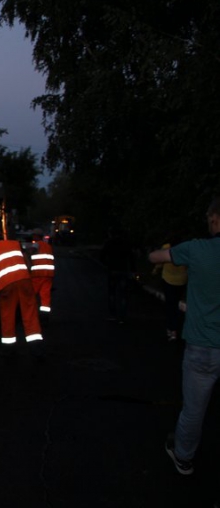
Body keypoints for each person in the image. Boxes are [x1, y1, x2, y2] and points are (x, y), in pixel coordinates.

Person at [149, 195, 220, 476]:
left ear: (215, 219)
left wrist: (162, 253)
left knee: (193, 410)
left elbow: (156, 257)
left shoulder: (196, 249)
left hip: (202, 348)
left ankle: (183, 457)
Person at [151, 233, 187, 342]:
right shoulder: (185, 248)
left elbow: (160, 262)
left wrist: (155, 270)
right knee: (175, 303)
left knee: (170, 305)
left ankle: (172, 330)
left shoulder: (167, 248)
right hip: (181, 281)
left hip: (168, 280)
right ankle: (175, 327)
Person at [99, 225, 136, 323]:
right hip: (124, 270)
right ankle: (122, 316)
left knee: (112, 293)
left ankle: (113, 315)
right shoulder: (126, 243)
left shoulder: (109, 243)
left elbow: (101, 256)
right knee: (123, 294)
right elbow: (131, 257)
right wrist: (133, 270)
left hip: (112, 270)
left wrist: (107, 264)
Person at [29, 227, 55, 322]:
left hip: (38, 274)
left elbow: (32, 251)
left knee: (31, 294)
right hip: (48, 274)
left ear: (36, 236)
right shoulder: (48, 246)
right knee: (45, 295)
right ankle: (45, 316)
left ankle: (30, 314)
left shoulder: (36, 244)